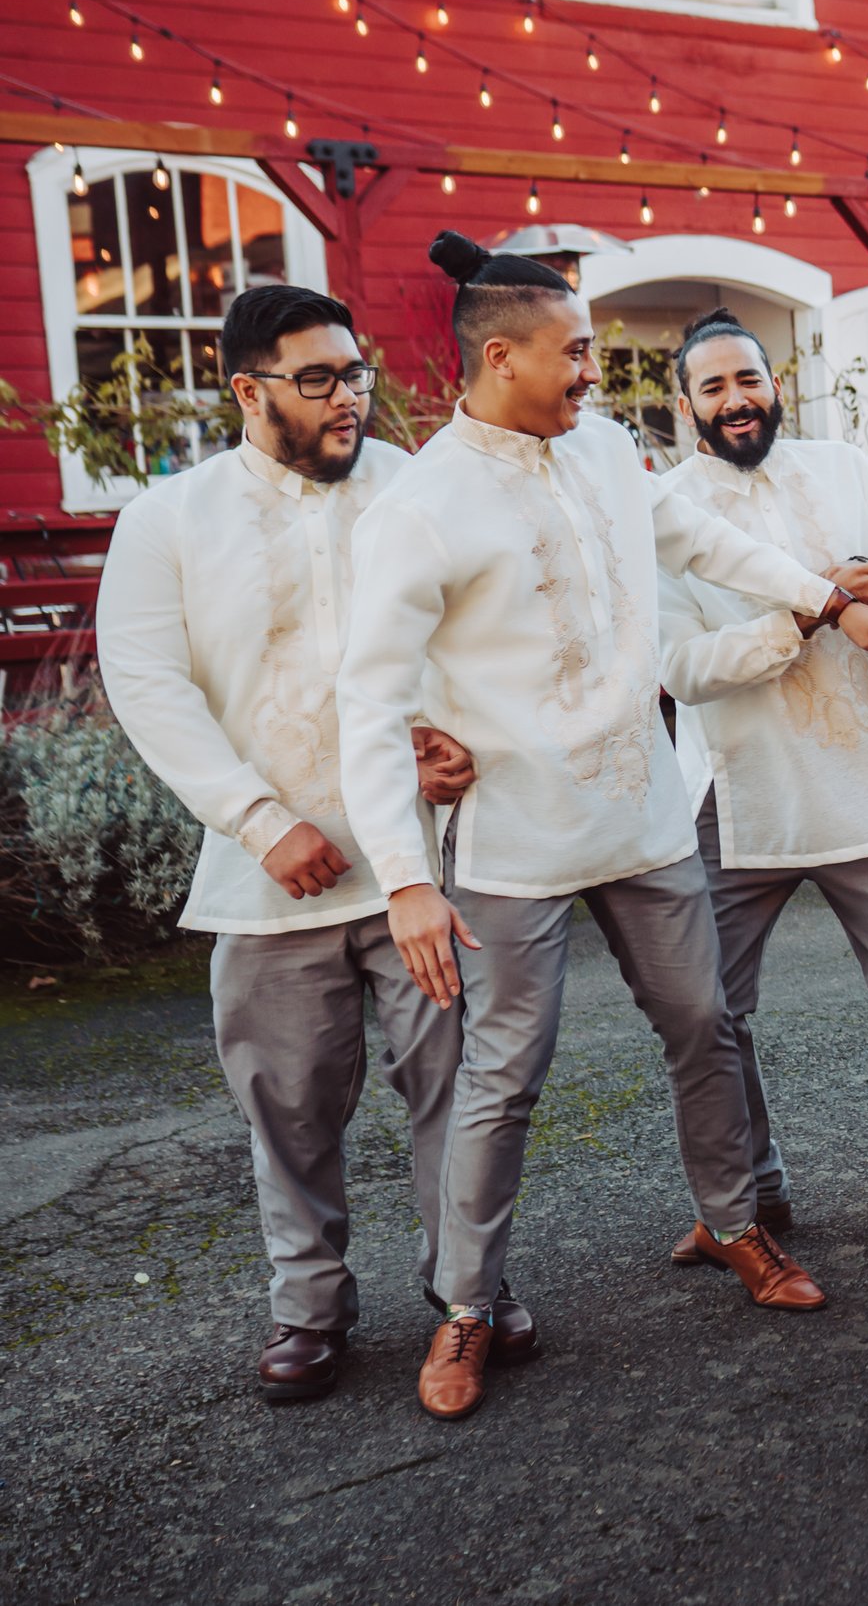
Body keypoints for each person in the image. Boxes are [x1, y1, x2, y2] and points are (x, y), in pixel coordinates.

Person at [337, 232, 868, 1420]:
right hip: (513, 835)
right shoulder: (420, 504)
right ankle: (466, 1302)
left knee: (706, 1024)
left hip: (649, 814)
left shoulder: (607, 448)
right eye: (575, 352)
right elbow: (368, 693)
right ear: (499, 356)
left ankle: (730, 1223)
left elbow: (703, 538)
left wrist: (820, 598)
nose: (594, 372)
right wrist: (405, 874)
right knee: (503, 1074)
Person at [96, 283, 494, 1401]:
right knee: (287, 1106)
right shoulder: (167, 519)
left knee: (455, 1088)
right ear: (246, 388)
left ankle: (468, 1290)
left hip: (417, 863)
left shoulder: (416, 490)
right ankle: (308, 1307)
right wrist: (260, 820)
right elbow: (147, 683)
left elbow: (473, 636)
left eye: (356, 375)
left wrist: (458, 743)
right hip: (265, 875)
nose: (347, 399)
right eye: (317, 380)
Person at [652, 309, 868, 1262]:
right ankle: (751, 1187)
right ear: (684, 405)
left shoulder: (843, 471)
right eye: (713, 387)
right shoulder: (665, 507)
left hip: (859, 767)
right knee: (715, 1013)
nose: (736, 400)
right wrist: (815, 605)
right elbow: (681, 667)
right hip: (734, 789)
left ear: (776, 387)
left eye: (749, 380)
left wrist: (851, 593)